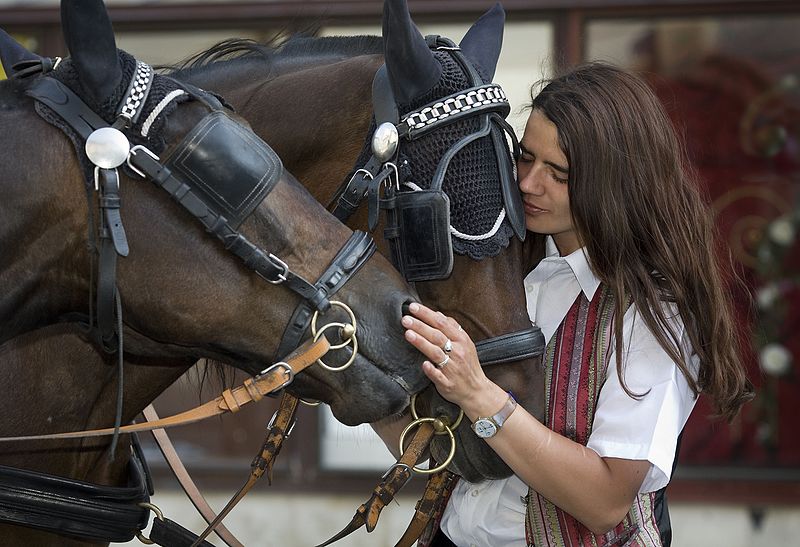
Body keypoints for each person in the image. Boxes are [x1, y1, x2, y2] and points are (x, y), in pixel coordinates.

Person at [395, 62, 753, 546]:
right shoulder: (498, 264)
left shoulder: (653, 310)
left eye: (558, 173)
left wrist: (479, 394)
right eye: (525, 158)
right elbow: (438, 441)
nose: (527, 184)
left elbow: (605, 501)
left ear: (616, 181)